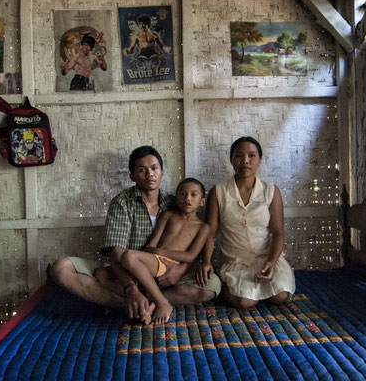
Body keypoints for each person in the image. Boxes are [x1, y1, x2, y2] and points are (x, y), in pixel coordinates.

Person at [49, 146, 221, 322]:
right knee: (62, 268)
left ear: (162, 172)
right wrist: (130, 287)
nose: (150, 174)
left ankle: (140, 303)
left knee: (212, 286)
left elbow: (195, 242)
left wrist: (180, 269)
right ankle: (132, 304)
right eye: (142, 170)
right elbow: (117, 252)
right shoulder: (123, 203)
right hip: (127, 270)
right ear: (132, 176)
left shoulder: (174, 202)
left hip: (165, 270)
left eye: (154, 168)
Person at [196, 136, 295, 309]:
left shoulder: (271, 191)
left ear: (259, 160)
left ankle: (262, 282)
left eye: (251, 156)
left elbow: (278, 232)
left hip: (266, 258)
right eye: (239, 156)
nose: (245, 161)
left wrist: (271, 262)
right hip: (235, 262)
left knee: (281, 295)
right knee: (245, 302)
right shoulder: (218, 192)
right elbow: (209, 233)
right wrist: (206, 261)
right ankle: (227, 283)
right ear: (231, 160)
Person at [120, 178, 209, 324]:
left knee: (128, 255)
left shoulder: (203, 227)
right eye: (182, 194)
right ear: (176, 197)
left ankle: (160, 302)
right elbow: (151, 246)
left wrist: (160, 252)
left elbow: (191, 256)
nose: (187, 198)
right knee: (105, 271)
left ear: (202, 201)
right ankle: (148, 303)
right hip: (154, 262)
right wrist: (153, 254)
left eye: (193, 195)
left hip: (171, 265)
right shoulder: (167, 215)